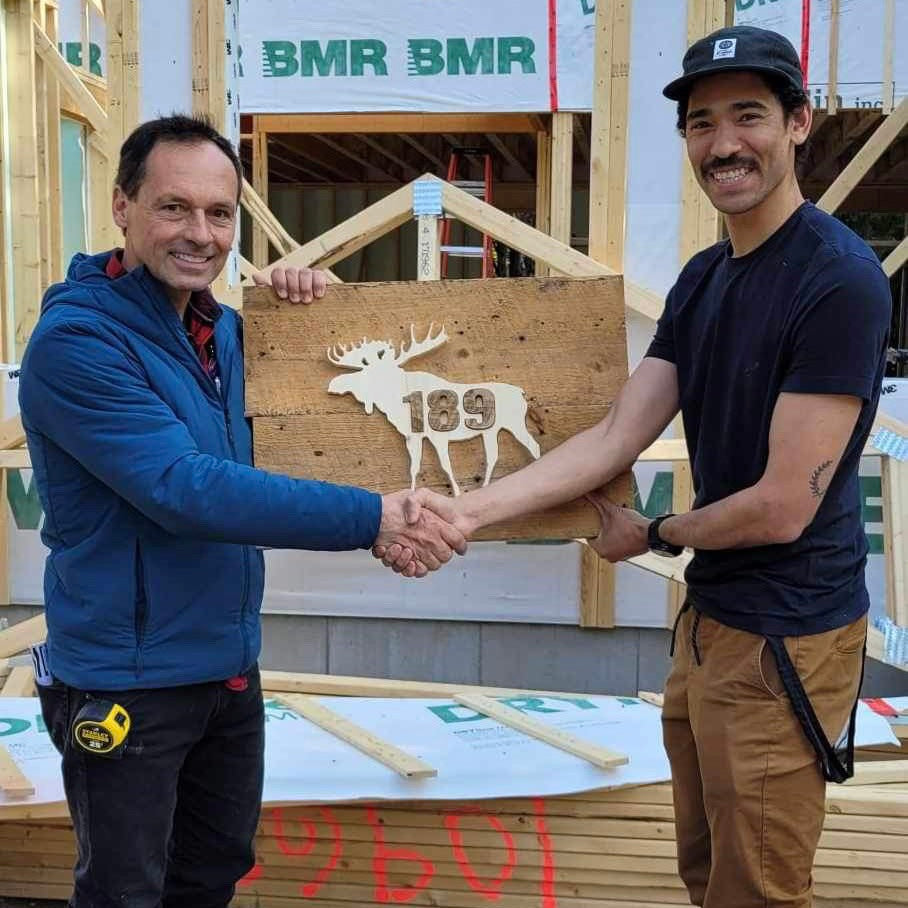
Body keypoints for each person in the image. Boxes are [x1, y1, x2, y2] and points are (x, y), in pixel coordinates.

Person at [380, 25, 892, 908]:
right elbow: (617, 433)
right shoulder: (705, 277)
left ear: (799, 122)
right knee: (705, 870)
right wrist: (467, 511)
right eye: (701, 123)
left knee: (758, 889)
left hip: (787, 635)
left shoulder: (837, 280)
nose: (723, 144)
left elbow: (782, 507)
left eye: (748, 116)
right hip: (712, 621)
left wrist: (654, 532)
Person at [18, 114, 466, 908]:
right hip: (127, 684)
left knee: (211, 877)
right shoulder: (77, 342)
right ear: (122, 205)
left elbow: (330, 426)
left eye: (219, 213)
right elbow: (185, 489)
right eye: (174, 207)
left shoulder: (228, 334)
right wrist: (377, 519)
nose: (200, 233)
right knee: (126, 893)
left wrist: (311, 319)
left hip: (227, 671)